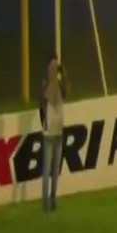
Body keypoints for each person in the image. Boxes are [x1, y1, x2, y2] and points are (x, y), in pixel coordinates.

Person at [39, 54, 68, 212]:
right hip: (49, 132)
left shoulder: (60, 85)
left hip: (58, 131)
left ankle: (53, 199)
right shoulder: (46, 84)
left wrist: (63, 75)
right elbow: (43, 101)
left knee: (55, 169)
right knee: (46, 169)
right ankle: (45, 202)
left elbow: (66, 92)